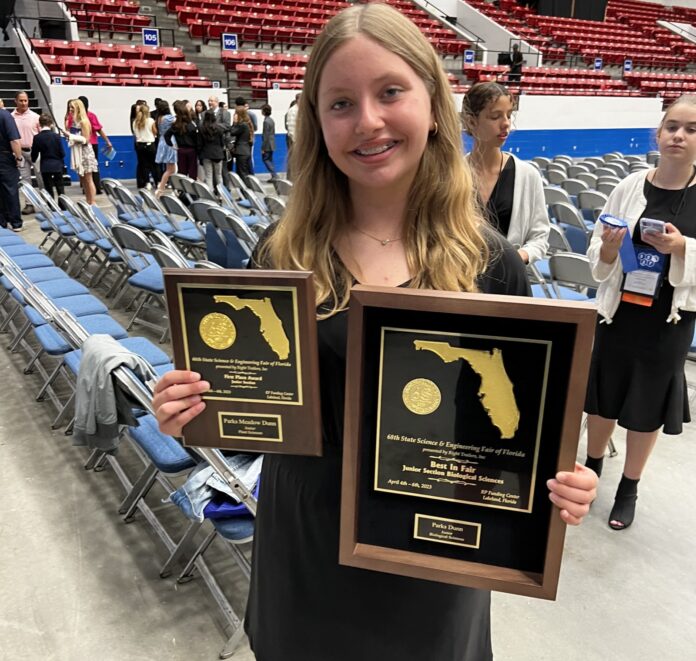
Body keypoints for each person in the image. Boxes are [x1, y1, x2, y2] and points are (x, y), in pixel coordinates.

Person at [152, 5, 596, 661]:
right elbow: (248, 408)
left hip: (434, 567)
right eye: (340, 103)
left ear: (433, 104)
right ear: (316, 122)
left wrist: (558, 484)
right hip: (307, 561)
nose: (367, 121)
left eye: (390, 91)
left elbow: (519, 435)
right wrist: (189, 410)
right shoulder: (282, 253)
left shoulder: (493, 264)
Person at [584, 94, 696, 531]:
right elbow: (598, 250)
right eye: (672, 126)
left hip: (668, 320)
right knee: (604, 395)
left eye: (690, 129)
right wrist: (609, 250)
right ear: (659, 131)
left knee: (648, 403)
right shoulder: (630, 185)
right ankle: (592, 466)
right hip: (620, 311)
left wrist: (682, 247)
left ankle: (629, 486)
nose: (679, 135)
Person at [462, 82, 549, 264]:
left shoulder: (528, 175)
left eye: (509, 115)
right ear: (471, 121)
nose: (506, 124)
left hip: (507, 282)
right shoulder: (454, 174)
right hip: (459, 281)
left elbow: (540, 238)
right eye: (495, 117)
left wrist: (516, 259)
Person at [76, 96, 112, 195]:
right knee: (93, 167)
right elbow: (99, 129)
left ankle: (85, 188)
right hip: (92, 143)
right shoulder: (91, 116)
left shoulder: (75, 117)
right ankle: (96, 187)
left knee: (82, 167)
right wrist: (107, 141)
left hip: (79, 145)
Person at [11, 90, 40, 214]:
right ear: (16, 101)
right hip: (20, 153)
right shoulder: (10, 117)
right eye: (21, 101)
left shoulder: (35, 117)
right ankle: (29, 204)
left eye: (25, 100)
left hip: (35, 151)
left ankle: (46, 202)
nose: (23, 103)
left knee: (41, 177)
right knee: (25, 179)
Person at [65, 98, 98, 205]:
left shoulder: (84, 122)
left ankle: (92, 202)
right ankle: (88, 200)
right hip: (77, 151)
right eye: (69, 107)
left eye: (72, 107)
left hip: (85, 152)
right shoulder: (74, 122)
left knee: (88, 179)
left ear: (78, 108)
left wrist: (71, 136)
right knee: (82, 179)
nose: (70, 109)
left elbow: (86, 139)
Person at [30, 113, 65, 200]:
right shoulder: (56, 136)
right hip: (57, 165)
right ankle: (63, 206)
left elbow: (34, 153)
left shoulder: (37, 137)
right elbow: (62, 153)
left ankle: (51, 206)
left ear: (40, 124)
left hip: (45, 165)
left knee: (48, 188)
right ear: (51, 123)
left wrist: (33, 160)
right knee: (60, 187)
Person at [0, 103, 23, 231]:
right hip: (5, 157)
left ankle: (1, 222)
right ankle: (15, 222)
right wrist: (18, 158)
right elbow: (14, 140)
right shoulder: (5, 116)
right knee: (10, 190)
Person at [165, 99, 199, 181]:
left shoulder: (175, 125)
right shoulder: (191, 125)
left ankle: (182, 191)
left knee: (182, 172)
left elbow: (167, 135)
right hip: (192, 150)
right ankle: (192, 191)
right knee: (192, 172)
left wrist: (172, 145)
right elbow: (196, 139)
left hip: (181, 150)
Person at [132, 102, 159, 190]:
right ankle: (157, 181)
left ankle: (147, 183)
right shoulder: (151, 120)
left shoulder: (135, 122)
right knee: (154, 165)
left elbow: (135, 134)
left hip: (140, 145)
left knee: (143, 165)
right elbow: (155, 132)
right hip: (150, 145)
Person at [197, 109, 225, 191]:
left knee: (208, 176)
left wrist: (199, 154)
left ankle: (211, 194)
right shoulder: (219, 128)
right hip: (218, 154)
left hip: (206, 154)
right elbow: (222, 142)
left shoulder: (201, 129)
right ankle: (221, 194)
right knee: (219, 175)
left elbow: (199, 144)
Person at [154, 101, 177, 196]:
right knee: (171, 169)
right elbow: (178, 121)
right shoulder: (168, 118)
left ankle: (166, 187)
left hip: (162, 141)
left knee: (170, 168)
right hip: (169, 141)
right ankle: (161, 188)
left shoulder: (159, 118)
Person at [229, 106, 253, 185]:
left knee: (242, 174)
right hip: (245, 151)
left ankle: (245, 193)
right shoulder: (246, 124)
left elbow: (232, 132)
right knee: (244, 173)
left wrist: (234, 122)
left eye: (235, 113)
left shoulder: (242, 125)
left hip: (241, 151)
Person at [284, 93, 299, 179]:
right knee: (293, 159)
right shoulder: (293, 111)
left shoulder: (301, 110)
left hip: (299, 139)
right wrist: (295, 140)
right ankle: (291, 178)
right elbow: (291, 127)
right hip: (294, 139)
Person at [260, 103, 276, 179]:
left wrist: (263, 148)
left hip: (267, 144)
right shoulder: (271, 120)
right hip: (272, 142)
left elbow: (265, 135)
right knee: (270, 159)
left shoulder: (266, 121)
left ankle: (274, 175)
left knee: (265, 159)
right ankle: (273, 175)